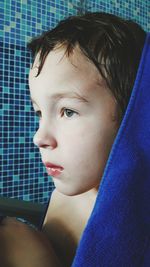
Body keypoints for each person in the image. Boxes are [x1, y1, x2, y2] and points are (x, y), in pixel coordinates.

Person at [0, 12, 148, 267]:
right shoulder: (64, 197)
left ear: (133, 116)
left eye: (68, 111)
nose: (39, 138)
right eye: (39, 112)